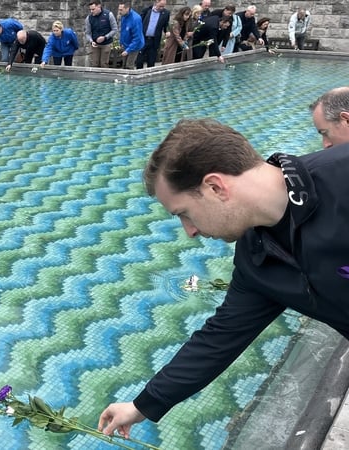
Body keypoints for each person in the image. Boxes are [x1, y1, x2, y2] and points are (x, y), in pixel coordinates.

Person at [98, 117, 349, 440]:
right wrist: (143, 405)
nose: (189, 232)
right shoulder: (257, 257)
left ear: (215, 187)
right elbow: (221, 336)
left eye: (183, 213)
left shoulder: (342, 177)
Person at [136, 0, 170, 69]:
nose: (162, 8)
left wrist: (167, 31)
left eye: (163, 6)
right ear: (156, 2)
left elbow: (166, 25)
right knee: (139, 60)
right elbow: (139, 23)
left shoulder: (166, 13)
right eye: (160, 6)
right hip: (143, 39)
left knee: (151, 61)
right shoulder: (146, 10)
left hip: (154, 41)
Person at [84, 0, 117, 68]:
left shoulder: (109, 15)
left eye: (93, 9)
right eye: (90, 9)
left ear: (99, 6)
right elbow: (87, 33)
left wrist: (105, 37)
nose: (91, 11)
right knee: (94, 64)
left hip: (106, 43)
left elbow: (114, 29)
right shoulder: (89, 18)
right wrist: (91, 41)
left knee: (104, 64)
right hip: (95, 44)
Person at [117, 3, 143, 70]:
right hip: (126, 43)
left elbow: (137, 38)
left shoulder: (135, 19)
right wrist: (121, 42)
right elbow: (123, 30)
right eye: (119, 10)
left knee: (129, 65)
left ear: (127, 8)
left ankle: (130, 79)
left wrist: (128, 50)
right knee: (124, 65)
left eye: (121, 10)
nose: (119, 12)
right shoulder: (124, 16)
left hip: (135, 46)